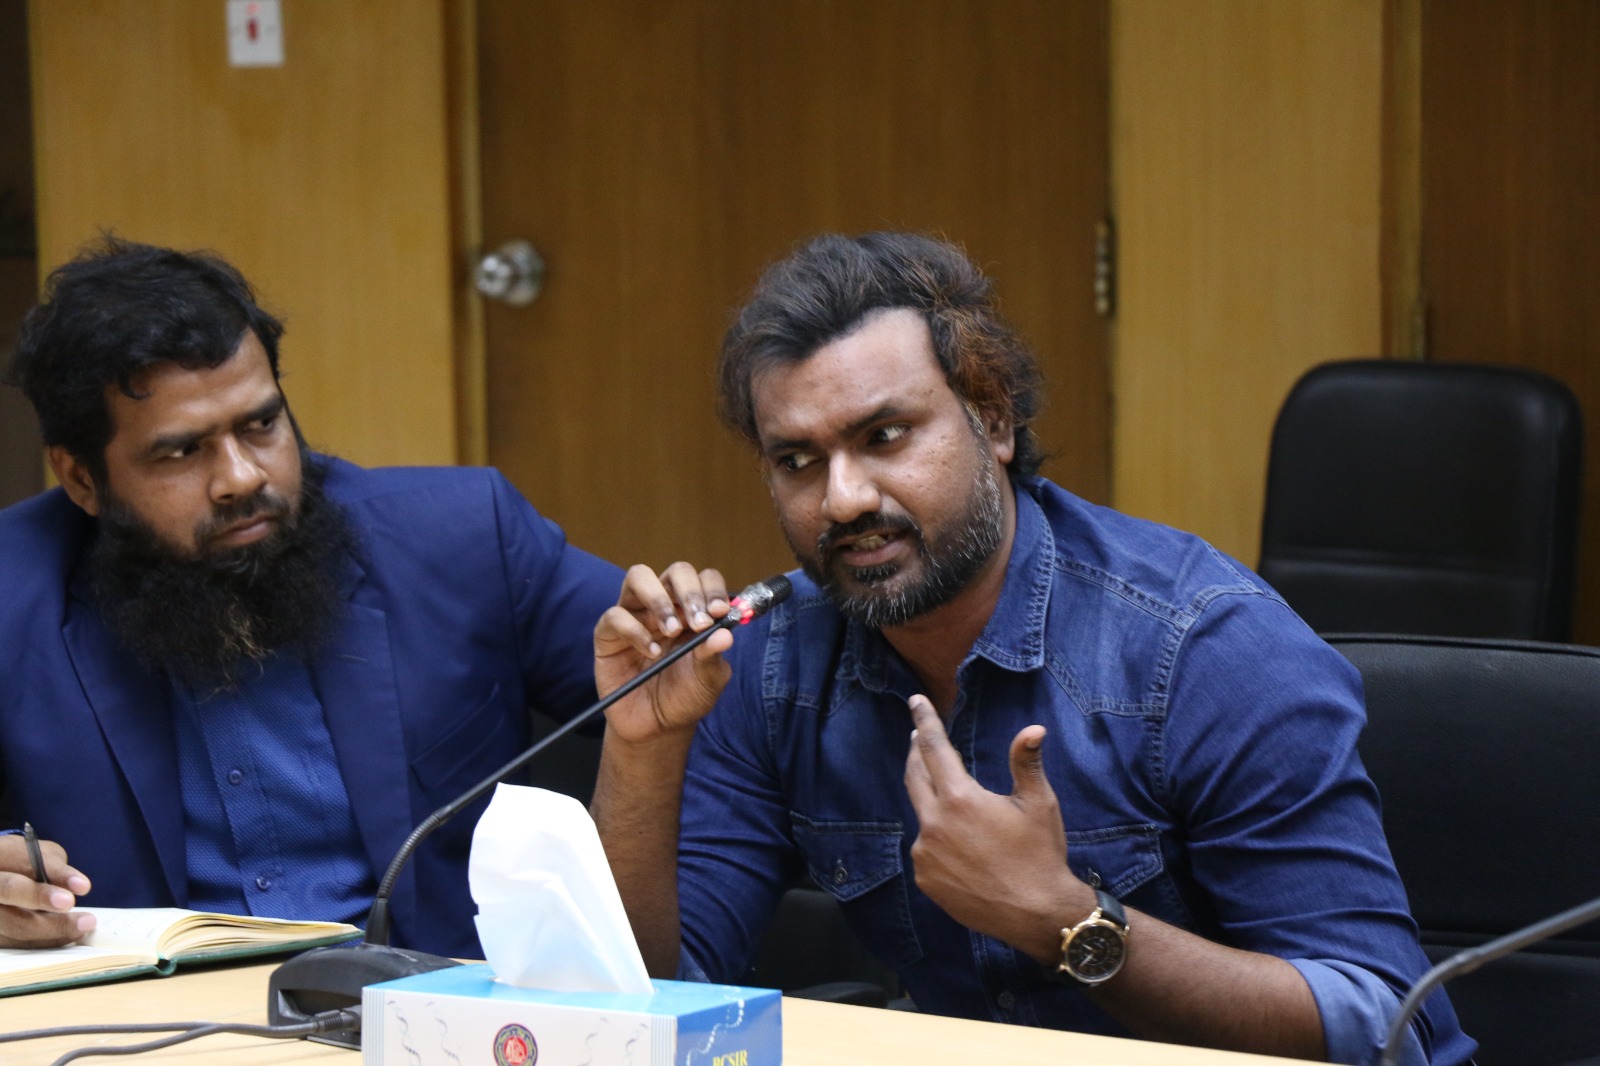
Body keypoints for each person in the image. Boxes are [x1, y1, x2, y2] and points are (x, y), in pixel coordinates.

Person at [589, 232, 1475, 1065]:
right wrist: (642, 752)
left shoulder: (1204, 648)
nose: (844, 498)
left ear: (994, 422)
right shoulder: (774, 660)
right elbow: (652, 1000)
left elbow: (1384, 1025)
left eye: (884, 437)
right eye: (797, 461)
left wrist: (1066, 922)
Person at [0, 237, 619, 958]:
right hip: (154, 1015)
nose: (241, 477)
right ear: (81, 479)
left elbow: (697, 679)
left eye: (260, 425)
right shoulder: (15, 592)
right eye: (182, 451)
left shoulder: (461, 539)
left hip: (437, 1005)